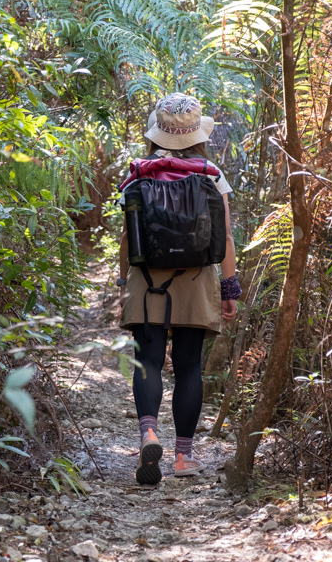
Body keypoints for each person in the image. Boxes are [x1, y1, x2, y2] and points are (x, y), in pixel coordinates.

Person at [116, 93, 240, 485]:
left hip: (147, 280)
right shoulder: (211, 174)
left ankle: (149, 433)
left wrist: (124, 283)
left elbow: (126, 238)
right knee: (189, 367)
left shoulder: (138, 174)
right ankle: (183, 457)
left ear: (158, 134)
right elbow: (226, 239)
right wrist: (229, 288)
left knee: (148, 361)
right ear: (196, 135)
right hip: (196, 279)